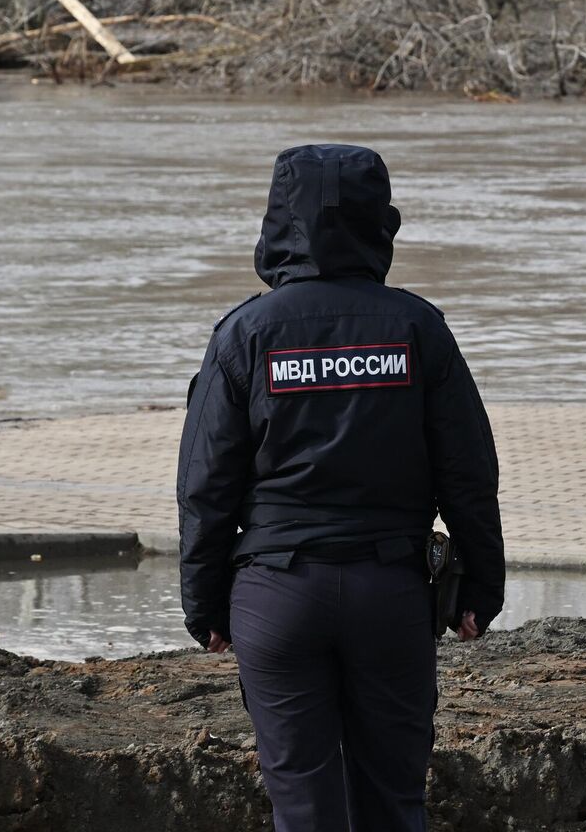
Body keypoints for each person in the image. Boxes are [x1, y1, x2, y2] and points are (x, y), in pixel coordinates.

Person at [176, 143, 506, 832]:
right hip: (390, 596)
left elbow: (206, 485)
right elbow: (468, 474)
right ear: (379, 221)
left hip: (275, 598)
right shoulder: (418, 327)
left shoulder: (245, 334)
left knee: (304, 808)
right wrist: (481, 589)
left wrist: (204, 602)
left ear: (275, 222)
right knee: (393, 801)